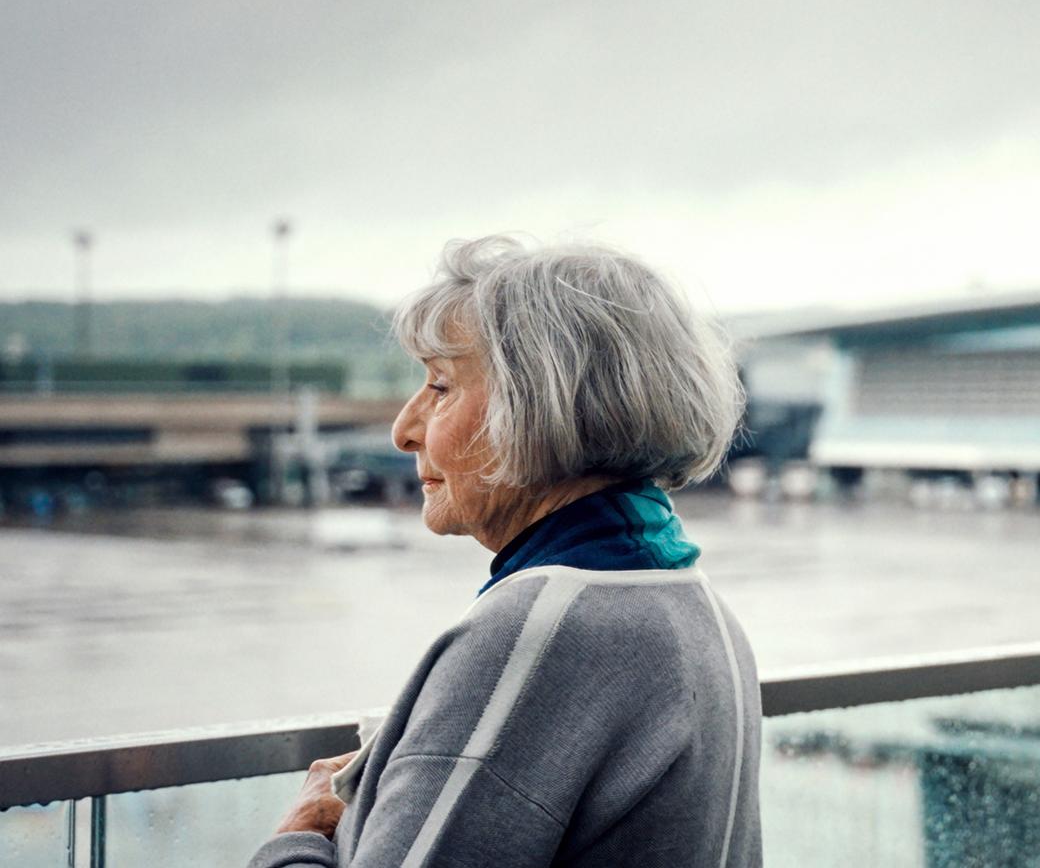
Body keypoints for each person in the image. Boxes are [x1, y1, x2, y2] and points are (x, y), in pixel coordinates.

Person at [249, 236, 760, 868]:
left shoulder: (539, 634)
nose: (404, 430)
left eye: (440, 386)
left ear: (541, 408)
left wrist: (296, 838)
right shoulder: (692, 600)